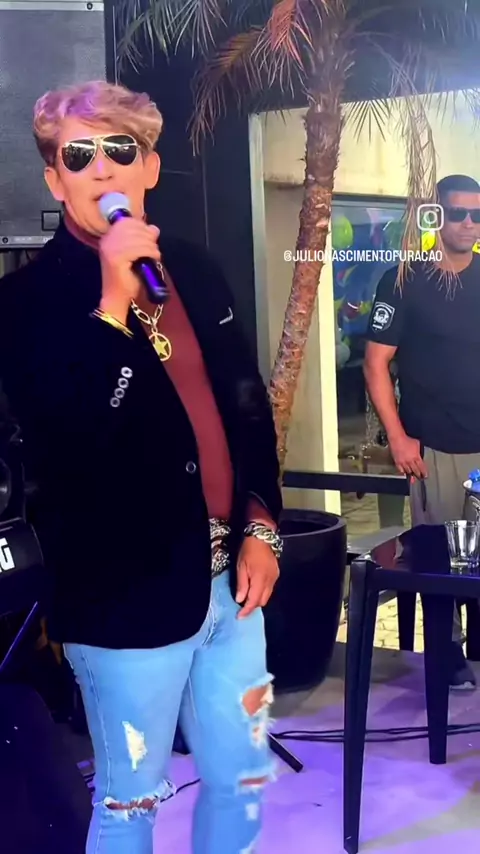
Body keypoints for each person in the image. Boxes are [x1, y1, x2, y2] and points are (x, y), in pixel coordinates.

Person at [0, 80, 283, 854]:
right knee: (132, 802)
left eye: (119, 149)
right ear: (55, 180)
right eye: (78, 156)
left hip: (234, 590)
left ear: (149, 168)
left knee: (242, 780)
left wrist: (264, 524)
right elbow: (71, 438)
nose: (101, 168)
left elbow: (246, 404)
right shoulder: (24, 303)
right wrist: (113, 310)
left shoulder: (194, 269)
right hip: (123, 602)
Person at [364, 173, 480, 691]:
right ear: (435, 216)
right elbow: (375, 364)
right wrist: (397, 437)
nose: (468, 223)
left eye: (477, 215)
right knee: (441, 562)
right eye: (458, 213)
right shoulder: (404, 281)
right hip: (434, 448)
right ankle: (446, 658)